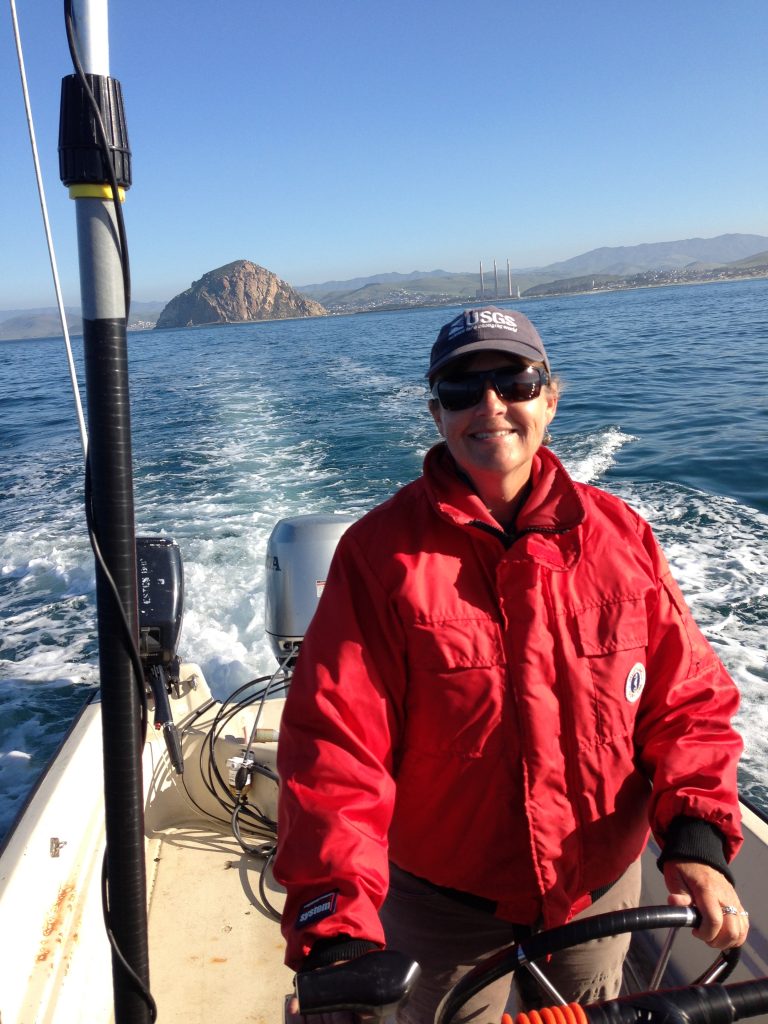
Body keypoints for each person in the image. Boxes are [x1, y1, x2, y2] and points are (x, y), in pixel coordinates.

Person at [274, 306, 747, 1023]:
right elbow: (337, 749)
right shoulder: (377, 558)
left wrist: (698, 838)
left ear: (550, 400)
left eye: (513, 381)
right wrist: (335, 925)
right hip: (444, 911)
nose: (490, 405)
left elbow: (687, 701)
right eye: (462, 390)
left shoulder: (621, 537)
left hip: (598, 892)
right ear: (437, 415)